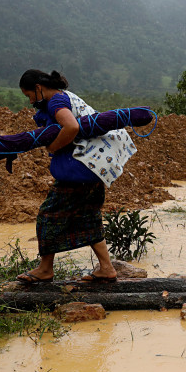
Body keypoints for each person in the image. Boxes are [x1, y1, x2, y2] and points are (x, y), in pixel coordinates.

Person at [16, 69, 137, 283]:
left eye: (29, 96)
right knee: (88, 216)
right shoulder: (66, 95)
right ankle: (107, 269)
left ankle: (45, 269)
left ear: (38, 88)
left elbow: (71, 126)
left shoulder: (55, 102)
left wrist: (53, 146)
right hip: (95, 169)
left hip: (79, 169)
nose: (31, 101)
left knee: (48, 215)